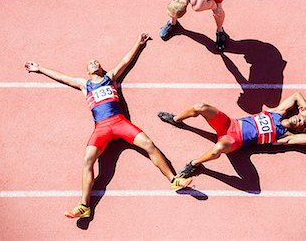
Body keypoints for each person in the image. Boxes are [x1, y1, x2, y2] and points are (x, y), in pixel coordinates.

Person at [24, 33, 192, 219]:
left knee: (149, 145)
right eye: (91, 63)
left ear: (101, 68)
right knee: (87, 161)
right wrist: (39, 68)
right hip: (101, 128)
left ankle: (174, 180)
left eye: (97, 61)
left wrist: (138, 42)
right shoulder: (84, 84)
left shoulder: (110, 77)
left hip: (120, 123)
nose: (94, 62)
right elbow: (63, 77)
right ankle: (84, 206)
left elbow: (125, 61)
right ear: (88, 71)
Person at [158, 92, 306, 178]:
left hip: (234, 140)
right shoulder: (278, 112)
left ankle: (194, 164)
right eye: (299, 116)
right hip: (229, 123)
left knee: (219, 148)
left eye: (301, 122)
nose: (298, 118)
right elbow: (297, 95)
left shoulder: (285, 136)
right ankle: (176, 119)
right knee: (200, 107)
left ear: (300, 129)